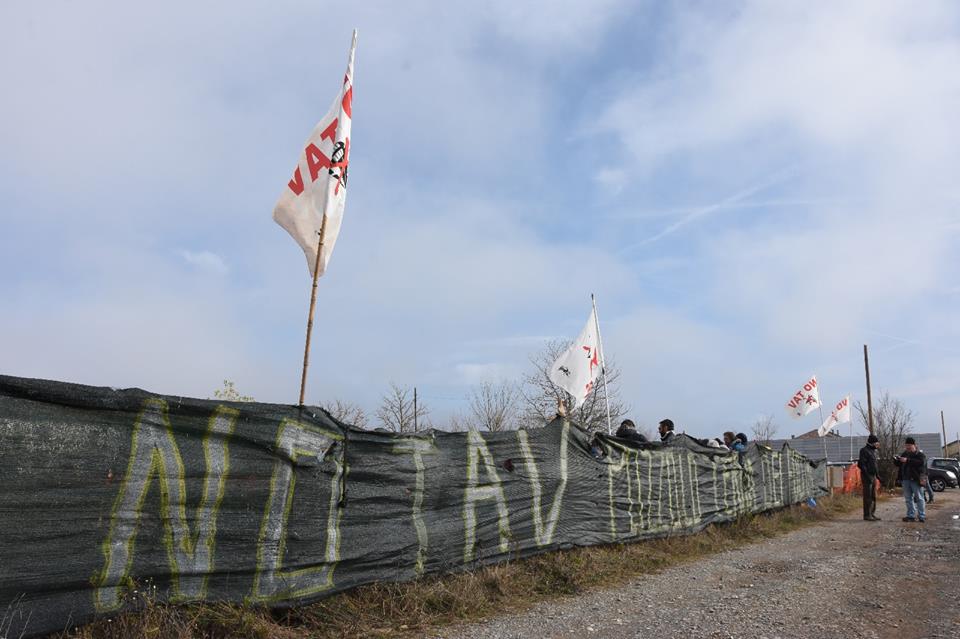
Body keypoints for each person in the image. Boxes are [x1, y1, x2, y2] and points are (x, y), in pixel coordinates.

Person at [893, 437, 927, 523]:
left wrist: (907, 460)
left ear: (914, 445)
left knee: (919, 498)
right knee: (908, 499)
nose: (907, 447)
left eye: (909, 445)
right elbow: (900, 464)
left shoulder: (920, 454)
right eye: (906, 445)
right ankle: (911, 516)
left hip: (916, 479)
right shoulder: (905, 453)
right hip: (905, 480)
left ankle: (922, 516)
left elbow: (920, 463)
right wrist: (896, 460)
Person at [857, 434, 881, 521]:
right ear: (873, 443)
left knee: (873, 495)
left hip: (873, 476)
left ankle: (872, 513)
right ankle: (867, 515)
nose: (878, 445)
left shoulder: (873, 451)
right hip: (867, 476)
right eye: (877, 443)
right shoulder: (864, 450)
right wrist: (867, 476)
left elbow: (874, 466)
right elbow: (861, 465)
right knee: (868, 496)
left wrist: (878, 476)